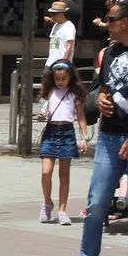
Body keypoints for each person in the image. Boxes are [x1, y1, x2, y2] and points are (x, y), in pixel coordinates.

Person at [73, 1, 128, 256]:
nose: (106, 23)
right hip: (108, 138)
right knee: (96, 204)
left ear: (126, 21)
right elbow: (102, 86)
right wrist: (100, 100)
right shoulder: (110, 52)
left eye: (111, 19)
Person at [38, 60, 89, 227]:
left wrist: (84, 138)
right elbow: (44, 111)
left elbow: (81, 118)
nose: (60, 82)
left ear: (70, 77)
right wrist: (42, 114)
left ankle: (62, 211)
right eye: (57, 78)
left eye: (64, 78)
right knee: (46, 171)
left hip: (67, 132)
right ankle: (47, 203)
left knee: (64, 174)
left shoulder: (75, 94)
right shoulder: (49, 92)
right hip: (51, 131)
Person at [45, 1, 76, 67]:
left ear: (61, 14)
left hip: (60, 64)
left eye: (54, 14)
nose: (52, 16)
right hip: (50, 62)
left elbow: (69, 47)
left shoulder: (69, 27)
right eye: (51, 14)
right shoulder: (55, 25)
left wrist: (63, 63)